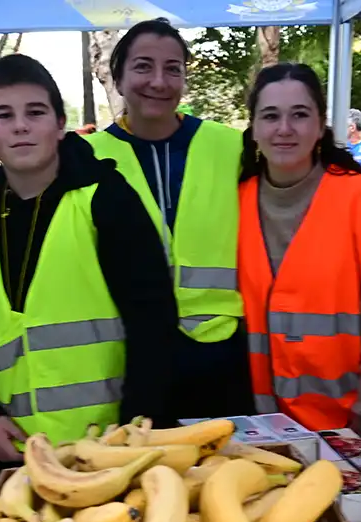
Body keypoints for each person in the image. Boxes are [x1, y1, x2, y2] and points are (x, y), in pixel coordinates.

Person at [0, 54, 178, 490]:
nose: (20, 126)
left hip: (109, 449)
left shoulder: (106, 200)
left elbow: (153, 326)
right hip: (15, 453)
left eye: (34, 113)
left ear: (60, 124)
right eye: (5, 115)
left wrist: (135, 431)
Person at [85, 18, 251, 422]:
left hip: (221, 355)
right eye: (143, 66)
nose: (159, 81)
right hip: (132, 355)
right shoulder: (85, 156)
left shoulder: (232, 146)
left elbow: (300, 172)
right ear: (118, 79)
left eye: (173, 69)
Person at [238, 62, 361, 448]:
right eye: (270, 116)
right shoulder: (232, 204)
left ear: (320, 127)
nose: (284, 128)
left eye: (300, 114)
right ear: (254, 130)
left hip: (355, 430)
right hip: (262, 434)